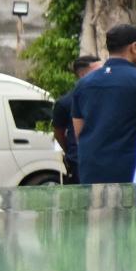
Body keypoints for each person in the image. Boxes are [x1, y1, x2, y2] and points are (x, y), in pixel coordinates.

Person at [66, 23, 136, 184]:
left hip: (92, 169)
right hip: (131, 170)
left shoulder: (84, 83)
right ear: (134, 47)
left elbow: (79, 131)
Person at [51, 52, 100, 181]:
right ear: (82, 74)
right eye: (97, 71)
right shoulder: (65, 102)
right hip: (79, 161)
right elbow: (58, 133)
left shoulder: (105, 97)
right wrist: (70, 151)